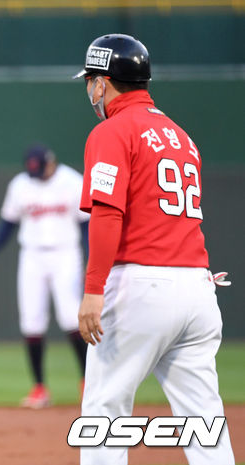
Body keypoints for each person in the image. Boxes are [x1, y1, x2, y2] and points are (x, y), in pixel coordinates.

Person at [74, 33, 235, 465]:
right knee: (204, 420)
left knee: (103, 412)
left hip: (140, 286)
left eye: (91, 79)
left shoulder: (112, 131)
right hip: (198, 290)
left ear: (104, 82)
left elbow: (108, 215)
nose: (89, 88)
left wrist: (93, 289)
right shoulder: (181, 137)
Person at [0, 144, 89, 408]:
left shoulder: (72, 181)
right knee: (31, 320)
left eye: (40, 169)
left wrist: (90, 257)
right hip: (32, 256)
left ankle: (87, 382)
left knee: (71, 317)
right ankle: (39, 388)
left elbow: (86, 224)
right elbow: (7, 224)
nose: (35, 174)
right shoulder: (21, 185)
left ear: (51, 162)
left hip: (66, 254)